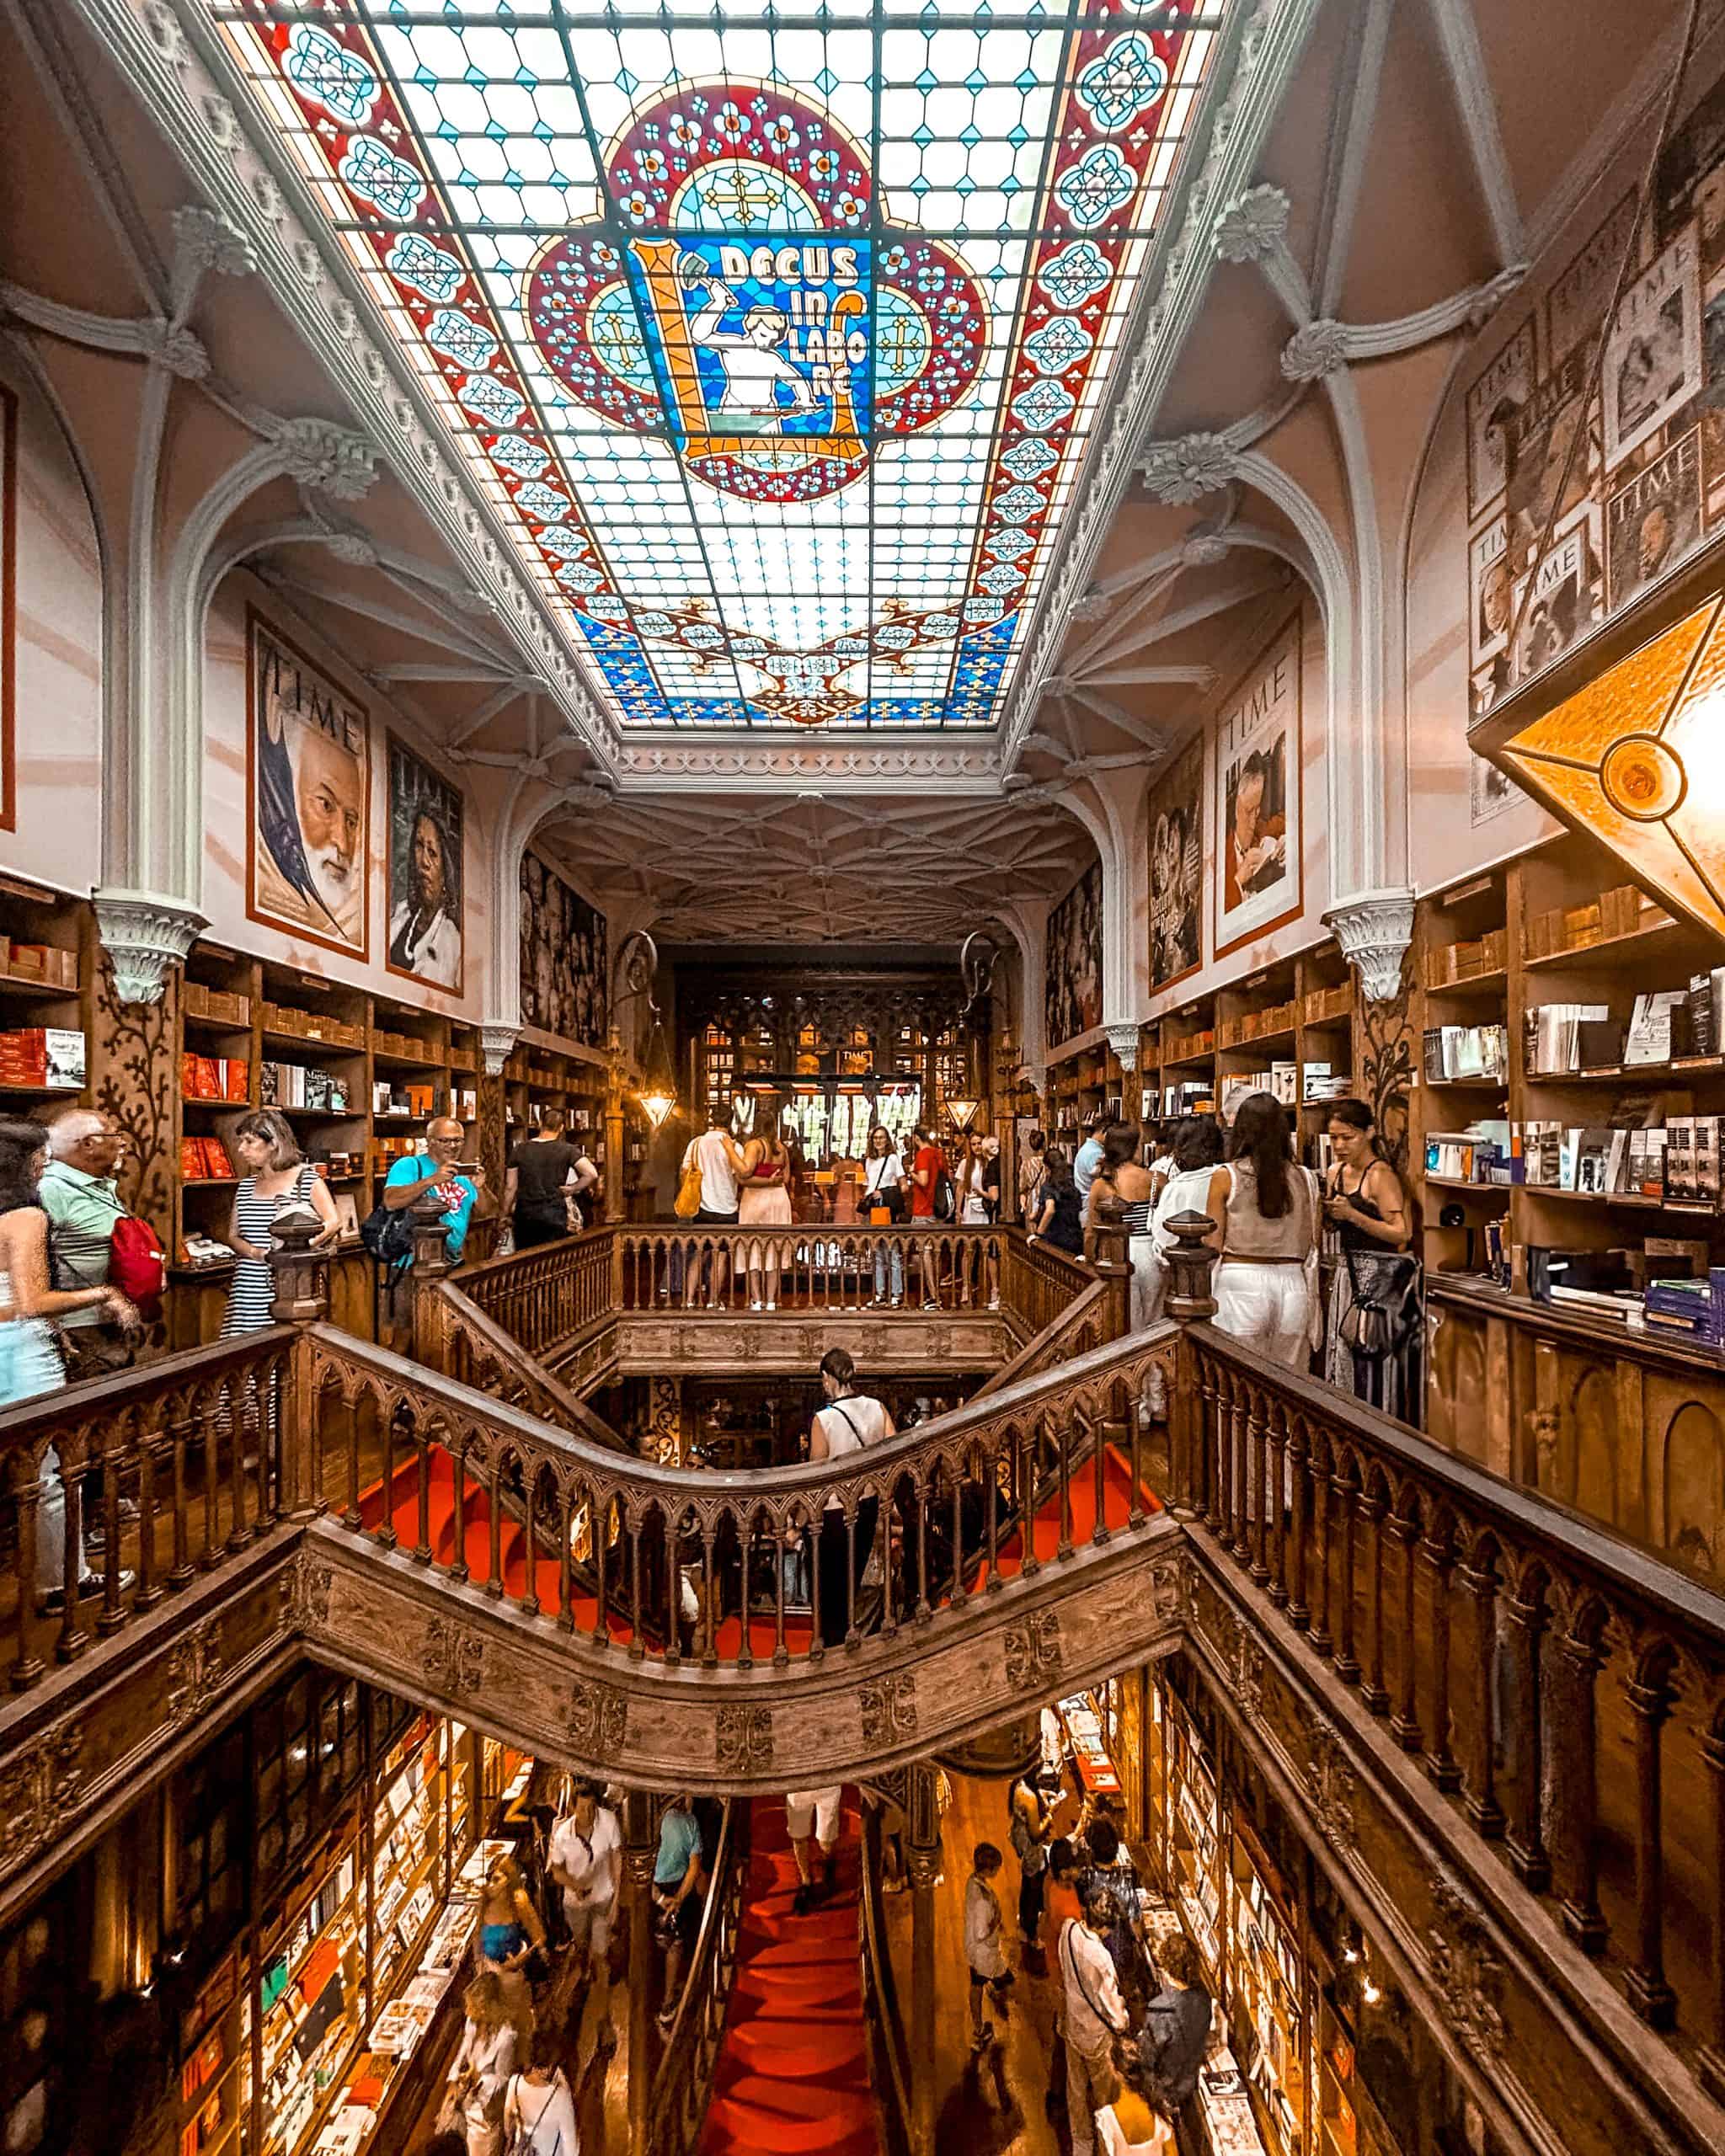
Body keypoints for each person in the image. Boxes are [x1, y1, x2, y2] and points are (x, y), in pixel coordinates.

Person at [0, 1119, 138, 1609]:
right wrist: (103, 1292)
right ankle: (62, 1580)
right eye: (39, 1156)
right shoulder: (25, 1215)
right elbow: (33, 1299)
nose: (45, 1164)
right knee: (49, 1473)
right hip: (21, 1353)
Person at [1201, 1092, 1320, 1372]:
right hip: (1294, 1285)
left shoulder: (1225, 1176)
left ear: (1239, 1130)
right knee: (1290, 1384)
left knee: (1236, 1380)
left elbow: (1212, 1242)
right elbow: (1313, 1239)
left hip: (1241, 1281)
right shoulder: (1306, 1177)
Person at [1323, 1098, 1422, 1422]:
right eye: (1334, 1137)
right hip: (1346, 1273)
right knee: (1344, 1351)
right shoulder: (1334, 1172)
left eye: (1347, 1137)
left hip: (1382, 1280)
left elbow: (1401, 1232)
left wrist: (1353, 1215)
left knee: (1374, 1356)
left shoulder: (1380, 1176)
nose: (1339, 1145)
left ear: (1368, 1133)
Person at [37, 1109, 140, 1382]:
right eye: (113, 1135)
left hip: (110, 1322)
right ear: (88, 1144)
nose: (122, 1142)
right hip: (79, 1330)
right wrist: (52, 1325)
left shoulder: (97, 1185)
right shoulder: (52, 1189)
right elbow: (28, 1263)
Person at [220, 1109, 339, 1340]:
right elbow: (233, 1235)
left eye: (249, 1142)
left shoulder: (307, 1179)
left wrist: (294, 1253)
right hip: (247, 1285)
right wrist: (259, 1254)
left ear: (273, 1142)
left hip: (291, 1283)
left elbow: (333, 1222)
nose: (241, 1149)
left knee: (283, 1351)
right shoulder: (245, 1187)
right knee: (243, 1354)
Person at [807, 1347, 892, 1652]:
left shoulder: (824, 1419)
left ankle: (833, 1646)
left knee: (830, 1586)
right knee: (852, 1579)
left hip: (834, 1511)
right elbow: (894, 1453)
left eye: (823, 1380)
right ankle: (848, 1640)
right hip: (867, 1507)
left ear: (828, 1378)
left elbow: (816, 1472)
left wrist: (804, 1520)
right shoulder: (877, 1408)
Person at [547, 1780, 621, 2050]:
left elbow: (616, 1859)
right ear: (573, 1809)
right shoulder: (563, 1835)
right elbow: (556, 1871)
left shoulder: (609, 1822)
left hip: (602, 1900)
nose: (589, 1814)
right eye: (583, 1809)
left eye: (592, 1808)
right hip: (575, 1906)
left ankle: (605, 2024)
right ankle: (580, 1978)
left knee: (601, 1960)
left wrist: (615, 1901)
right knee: (582, 1951)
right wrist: (576, 1886)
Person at [1059, 1881, 1130, 2156]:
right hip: (1096, 2037)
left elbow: (1067, 1972)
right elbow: (1113, 2011)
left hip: (1072, 2024)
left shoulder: (1069, 1929)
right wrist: (1124, 2020)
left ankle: (1081, 2143)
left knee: (1075, 2089)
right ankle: (1104, 2145)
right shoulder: (1101, 1958)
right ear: (1105, 1926)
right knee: (1104, 2096)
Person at [1134, 1932, 1213, 2154]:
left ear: (1167, 1967)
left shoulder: (1161, 2008)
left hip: (1164, 2089)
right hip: (1189, 2085)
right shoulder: (1204, 1999)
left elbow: (1148, 2058)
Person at [382, 1118, 491, 1264]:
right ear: (430, 1141)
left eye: (458, 1140)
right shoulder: (409, 1165)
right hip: (411, 1264)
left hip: (451, 1260)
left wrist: (480, 1187)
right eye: (445, 1141)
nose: (453, 1146)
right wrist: (432, 1180)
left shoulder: (463, 1174)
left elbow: (487, 1212)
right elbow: (390, 1201)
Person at [1086, 1124, 1159, 1328]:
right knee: (1154, 1320)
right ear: (1136, 1147)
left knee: (1125, 1318)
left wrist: (1090, 1259)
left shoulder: (1102, 1184)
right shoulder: (1155, 1180)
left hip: (1117, 1252)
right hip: (1151, 1251)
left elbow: (1091, 1229)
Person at [388, 801, 462, 989]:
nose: (424, 861)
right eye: (419, 845)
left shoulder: (450, 939)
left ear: (446, 872)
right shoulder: (401, 914)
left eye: (433, 853)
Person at [444, 1971, 517, 2156]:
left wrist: (480, 2080)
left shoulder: (506, 2036)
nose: (467, 2012)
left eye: (471, 2007)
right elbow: (462, 2052)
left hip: (485, 2110)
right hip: (463, 2102)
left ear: (484, 2009)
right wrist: (454, 2080)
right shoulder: (472, 2023)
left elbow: (503, 2077)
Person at [681, 1107, 745, 1309]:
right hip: (727, 1207)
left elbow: (684, 1172)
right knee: (720, 1257)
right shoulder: (735, 1146)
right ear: (731, 1122)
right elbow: (740, 1175)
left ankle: (689, 1299)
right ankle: (713, 1301)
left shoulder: (696, 1143)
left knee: (699, 1254)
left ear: (712, 1120)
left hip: (702, 1207)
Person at [653, 1794, 705, 2026]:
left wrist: (660, 1897)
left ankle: (664, 1997)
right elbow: (694, 1869)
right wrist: (679, 1899)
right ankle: (668, 1999)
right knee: (676, 1944)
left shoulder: (650, 1821)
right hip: (679, 1886)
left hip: (654, 1889)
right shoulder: (689, 1822)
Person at [505, 1115, 593, 1250]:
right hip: (554, 1215)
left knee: (524, 1261)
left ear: (541, 1124)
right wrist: (573, 1188)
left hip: (526, 1216)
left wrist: (504, 1214)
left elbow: (510, 1187)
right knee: (553, 1261)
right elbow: (591, 1173)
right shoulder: (567, 1150)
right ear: (562, 1127)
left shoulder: (520, 1149)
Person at [1009, 1770, 1067, 1965]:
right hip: (1031, 1849)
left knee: (1028, 1883)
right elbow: (1036, 1834)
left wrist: (1042, 1795)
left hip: (1023, 1843)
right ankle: (1030, 1931)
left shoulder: (1020, 1785)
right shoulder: (1028, 1797)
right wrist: (1051, 1813)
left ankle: (1025, 1922)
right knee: (1032, 1888)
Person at [964, 1841, 1014, 2052]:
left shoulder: (973, 1881)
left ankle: (979, 2027)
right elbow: (982, 1932)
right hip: (984, 1954)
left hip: (977, 1952)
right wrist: (997, 1919)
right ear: (989, 1869)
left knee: (978, 1984)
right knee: (991, 1984)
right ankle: (978, 2031)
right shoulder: (983, 1902)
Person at [738, 1125, 792, 1311]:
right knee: (774, 1250)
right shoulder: (781, 1148)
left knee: (751, 1248)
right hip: (778, 1198)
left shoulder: (754, 1146)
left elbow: (745, 1176)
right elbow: (785, 1178)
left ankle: (756, 1299)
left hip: (755, 1198)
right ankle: (770, 1301)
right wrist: (773, 1180)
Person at [501, 2027, 580, 2156]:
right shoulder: (560, 2097)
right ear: (550, 2066)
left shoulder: (514, 2083)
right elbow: (570, 2148)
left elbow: (508, 2126)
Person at [954, 1131, 1001, 1310]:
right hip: (969, 1209)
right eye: (973, 1144)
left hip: (986, 1210)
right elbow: (960, 1188)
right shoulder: (965, 1164)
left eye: (979, 1143)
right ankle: (966, 1285)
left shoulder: (989, 1163)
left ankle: (994, 1288)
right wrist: (958, 1211)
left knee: (989, 1252)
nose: (977, 1147)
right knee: (968, 1250)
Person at [862, 1123, 905, 1307]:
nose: (878, 1141)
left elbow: (903, 1185)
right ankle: (879, 1292)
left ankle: (896, 1292)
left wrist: (885, 1194)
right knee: (877, 1252)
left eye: (881, 1137)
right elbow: (868, 1184)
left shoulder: (893, 1159)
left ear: (887, 1140)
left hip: (887, 1208)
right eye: (875, 1138)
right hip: (873, 1208)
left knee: (892, 1251)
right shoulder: (869, 1161)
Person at [905, 1123, 947, 1310]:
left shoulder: (922, 1155)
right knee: (935, 1253)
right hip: (939, 1210)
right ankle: (934, 1293)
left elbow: (923, 1180)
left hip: (923, 1209)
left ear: (916, 1138)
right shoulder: (939, 1154)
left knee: (925, 1255)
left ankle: (933, 1296)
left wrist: (910, 1172)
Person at [787, 1784, 842, 1916]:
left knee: (826, 1840)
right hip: (797, 1787)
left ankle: (829, 1866)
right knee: (799, 1837)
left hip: (828, 1786)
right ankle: (806, 1881)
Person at [1028, 1147, 1084, 1256]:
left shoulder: (1048, 1186)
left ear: (1047, 1168)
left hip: (1055, 1239)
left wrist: (1038, 1234)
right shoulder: (1072, 1186)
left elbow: (1050, 1210)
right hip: (1075, 1238)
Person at [1074, 1113, 1112, 1211]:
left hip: (1085, 1204)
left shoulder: (1086, 1148)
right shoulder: (1095, 1153)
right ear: (1104, 1130)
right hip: (1091, 1207)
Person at [1018, 1127, 1048, 1225]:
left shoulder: (1026, 1164)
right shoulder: (1049, 1163)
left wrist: (1023, 1205)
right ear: (1044, 1143)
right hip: (1047, 1199)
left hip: (1032, 1199)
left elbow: (1022, 1188)